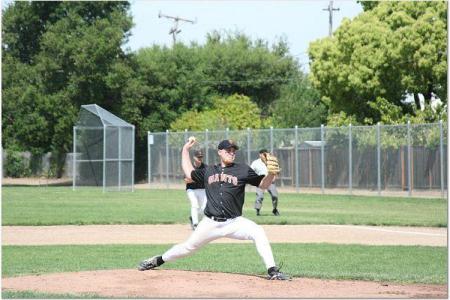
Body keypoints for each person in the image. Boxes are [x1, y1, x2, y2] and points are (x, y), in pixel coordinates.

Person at [138, 138, 290, 280]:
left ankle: (272, 270)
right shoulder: (209, 170)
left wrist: (271, 173)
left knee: (258, 231)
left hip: (234, 222)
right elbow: (189, 171)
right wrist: (185, 149)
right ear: (220, 152)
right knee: (187, 247)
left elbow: (263, 184)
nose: (232, 153)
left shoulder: (243, 169)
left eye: (233, 150)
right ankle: (157, 260)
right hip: (210, 223)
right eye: (228, 150)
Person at [250, 149, 280, 216]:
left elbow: (276, 170)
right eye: (263, 154)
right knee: (260, 196)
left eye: (266, 153)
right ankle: (257, 211)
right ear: (260, 154)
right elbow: (250, 171)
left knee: (275, 196)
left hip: (270, 181)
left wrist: (274, 177)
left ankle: (275, 210)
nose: (265, 155)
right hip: (260, 181)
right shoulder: (255, 163)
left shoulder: (271, 161)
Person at [185, 150, 207, 230]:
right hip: (191, 190)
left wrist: (193, 178)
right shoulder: (189, 167)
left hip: (202, 189)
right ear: (194, 157)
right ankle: (195, 224)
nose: (200, 158)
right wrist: (199, 179)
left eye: (201, 157)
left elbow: (206, 179)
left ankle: (193, 217)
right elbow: (186, 180)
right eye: (198, 157)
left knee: (204, 208)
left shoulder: (205, 167)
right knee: (194, 205)